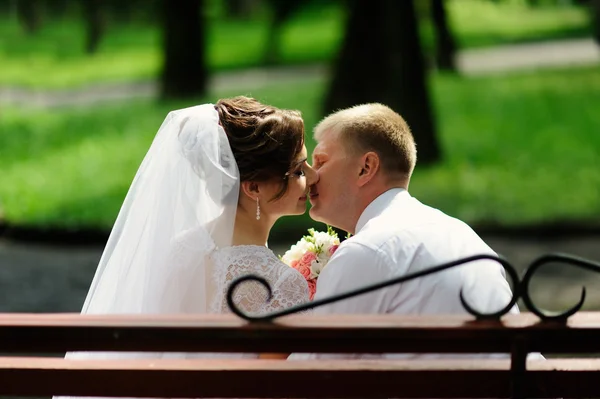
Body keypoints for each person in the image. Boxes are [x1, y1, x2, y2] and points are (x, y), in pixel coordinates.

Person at [64, 96, 316, 365]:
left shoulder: (180, 248)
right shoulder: (282, 284)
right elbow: (267, 386)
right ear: (253, 188)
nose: (313, 177)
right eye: (298, 171)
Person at [296, 102, 519, 359]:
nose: (311, 176)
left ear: (365, 168)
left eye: (320, 161)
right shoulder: (461, 232)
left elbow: (317, 368)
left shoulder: (368, 251)